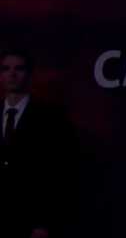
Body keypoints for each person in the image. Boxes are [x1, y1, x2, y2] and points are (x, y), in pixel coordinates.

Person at [0, 48, 75, 238]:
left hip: (32, 223)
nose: (12, 74)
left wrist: (45, 224)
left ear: (29, 73)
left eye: (19, 68)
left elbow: (62, 173)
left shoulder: (51, 117)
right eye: (6, 69)